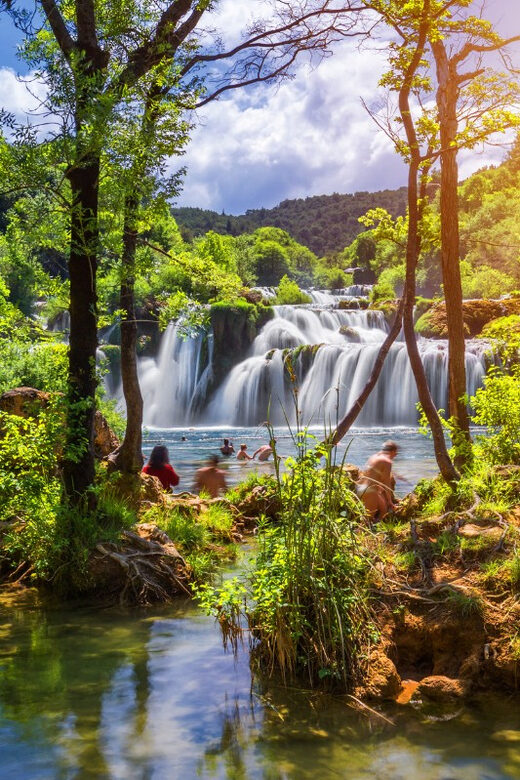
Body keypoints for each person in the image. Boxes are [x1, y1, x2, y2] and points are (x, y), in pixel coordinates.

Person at [355, 441, 400, 520]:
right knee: (367, 520)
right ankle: (363, 530)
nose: (396, 455)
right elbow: (387, 482)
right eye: (396, 453)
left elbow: (370, 472)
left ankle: (376, 528)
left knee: (383, 511)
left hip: (361, 488)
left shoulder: (375, 456)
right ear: (392, 451)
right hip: (370, 491)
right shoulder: (387, 461)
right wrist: (390, 501)